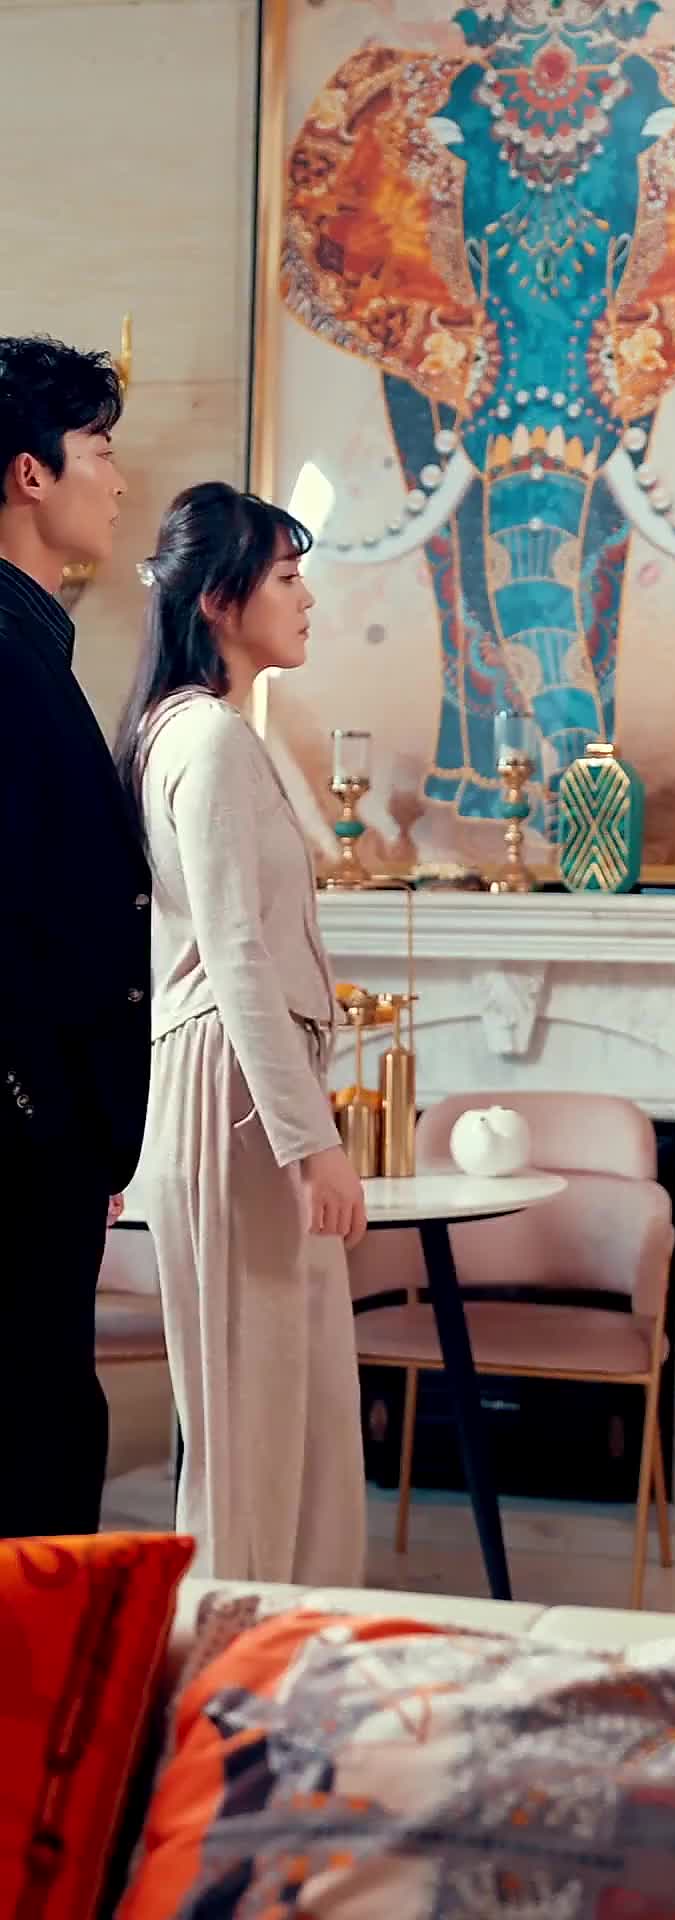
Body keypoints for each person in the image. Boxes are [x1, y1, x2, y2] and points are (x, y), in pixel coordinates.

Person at [115, 481, 368, 1584]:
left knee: (298, 1426)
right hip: (232, 1098)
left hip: (241, 1090)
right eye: (286, 577)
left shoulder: (203, 733)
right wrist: (313, 1143)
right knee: (250, 1440)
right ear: (219, 601)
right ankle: (234, 1662)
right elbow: (235, 954)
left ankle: (301, 1650)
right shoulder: (207, 739)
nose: (306, 598)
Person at [0, 334, 149, 1538]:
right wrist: (40, 1108)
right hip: (21, 1140)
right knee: (35, 1445)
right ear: (30, 474)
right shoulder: (3, 654)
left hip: (52, 1140)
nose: (119, 478)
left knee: (51, 1426)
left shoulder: (36, 643)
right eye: (98, 449)